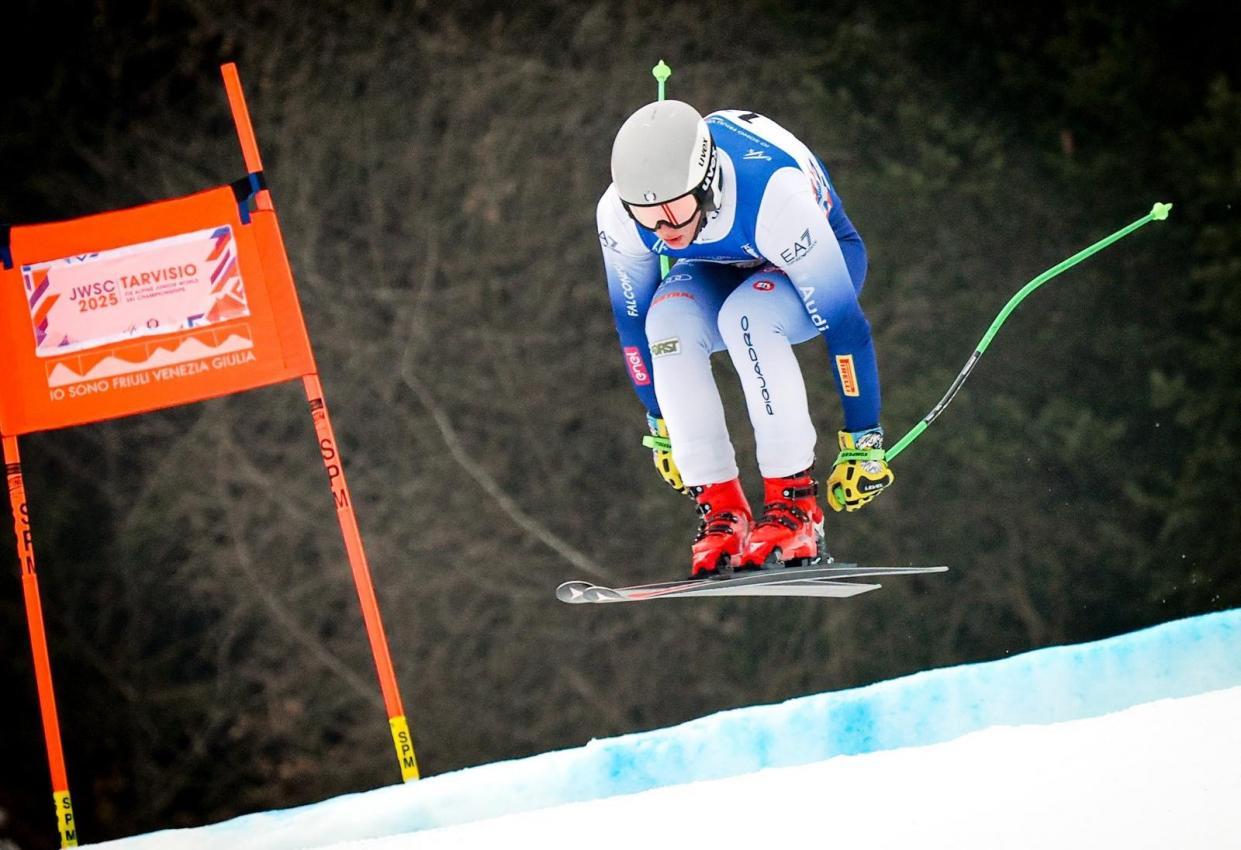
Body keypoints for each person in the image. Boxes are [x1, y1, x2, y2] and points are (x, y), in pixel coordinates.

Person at [595, 100, 895, 577]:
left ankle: (794, 506)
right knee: (666, 323)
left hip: (813, 253)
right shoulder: (619, 215)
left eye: (674, 207)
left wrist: (865, 439)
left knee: (747, 317)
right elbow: (632, 328)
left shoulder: (772, 195)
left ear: (706, 179)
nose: (664, 228)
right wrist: (660, 423)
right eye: (646, 214)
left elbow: (846, 327)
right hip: (721, 265)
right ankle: (721, 512)